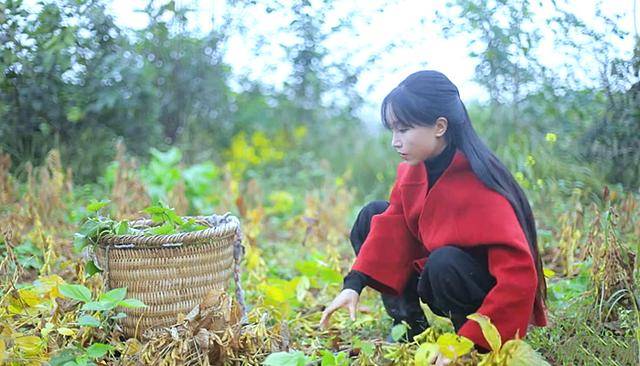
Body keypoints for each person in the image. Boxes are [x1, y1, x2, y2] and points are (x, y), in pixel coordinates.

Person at [318, 70, 547, 354]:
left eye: (403, 129)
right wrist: (353, 285)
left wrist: (465, 343)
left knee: (444, 260)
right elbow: (392, 228)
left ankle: (473, 345)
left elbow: (519, 274)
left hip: (475, 292)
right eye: (392, 130)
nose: (395, 141)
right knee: (373, 215)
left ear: (440, 127)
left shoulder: (481, 184)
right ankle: (410, 328)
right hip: (434, 278)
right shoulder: (414, 171)